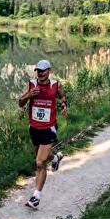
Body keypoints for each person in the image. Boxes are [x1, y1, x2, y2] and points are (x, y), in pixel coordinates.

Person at [18, 59, 67, 210]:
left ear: (49, 71)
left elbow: (62, 97)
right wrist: (29, 95)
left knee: (39, 162)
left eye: (43, 70)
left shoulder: (55, 85)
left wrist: (65, 105)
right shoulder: (32, 84)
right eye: (38, 71)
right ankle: (56, 157)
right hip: (34, 128)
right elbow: (20, 102)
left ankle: (36, 196)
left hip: (49, 127)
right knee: (42, 158)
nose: (40, 73)